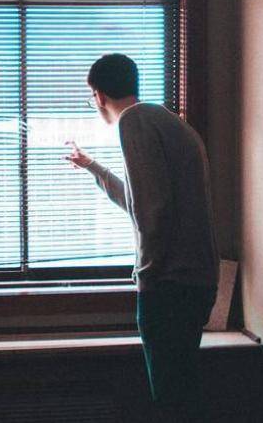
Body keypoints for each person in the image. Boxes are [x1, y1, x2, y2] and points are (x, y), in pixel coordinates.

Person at [64, 53, 220, 422]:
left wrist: (146, 278)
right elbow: (144, 203)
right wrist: (93, 167)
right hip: (193, 280)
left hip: (171, 285)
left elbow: (155, 211)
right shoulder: (163, 120)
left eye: (92, 98)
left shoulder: (133, 122)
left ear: (99, 95)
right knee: (181, 392)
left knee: (171, 398)